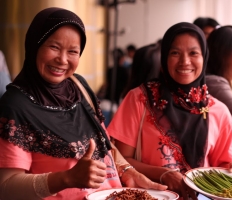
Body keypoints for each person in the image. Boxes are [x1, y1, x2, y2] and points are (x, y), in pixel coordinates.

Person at [0, 7, 167, 200]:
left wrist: (129, 172)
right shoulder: (15, 105)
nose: (62, 60)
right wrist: (66, 178)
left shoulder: (78, 86)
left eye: (73, 51)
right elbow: (6, 187)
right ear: (34, 45)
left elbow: (105, 145)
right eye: (54, 47)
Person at [107, 22, 232, 200]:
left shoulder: (218, 111)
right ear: (164, 57)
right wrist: (164, 174)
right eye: (175, 53)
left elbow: (224, 166)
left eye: (193, 53)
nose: (185, 61)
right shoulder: (139, 99)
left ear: (204, 57)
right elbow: (120, 161)